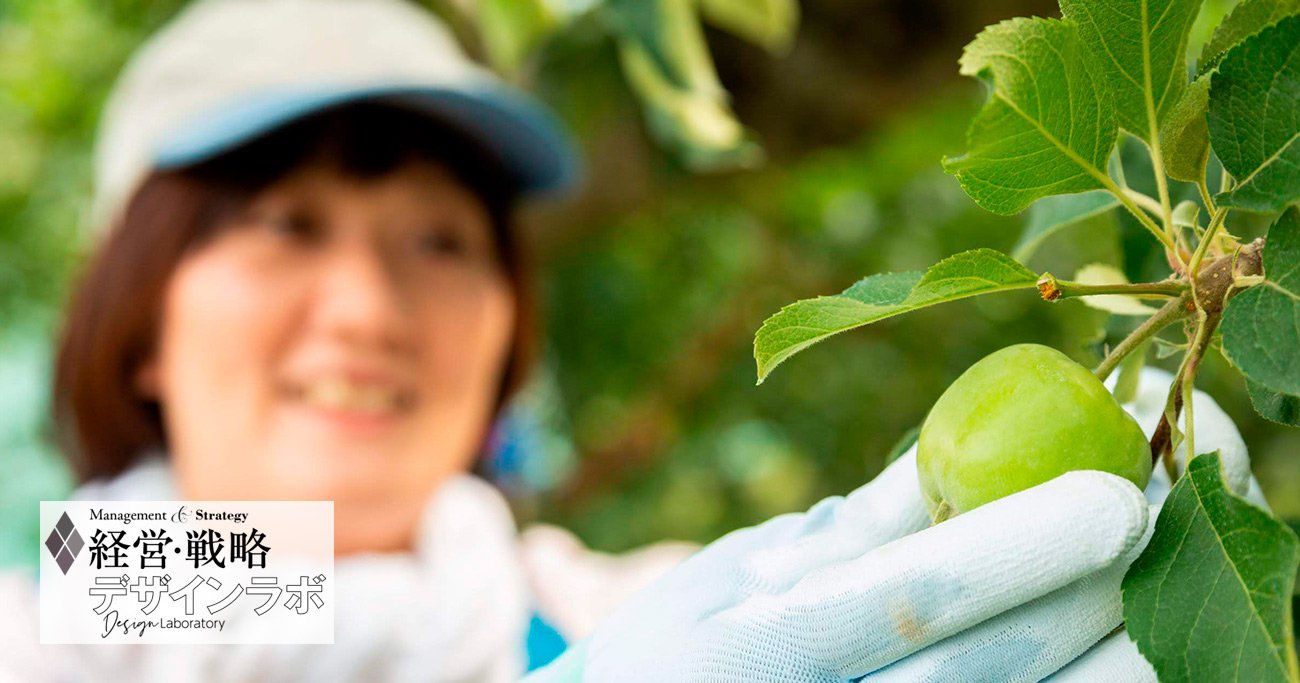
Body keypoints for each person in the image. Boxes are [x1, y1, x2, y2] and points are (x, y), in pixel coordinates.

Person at [0, 0, 1267, 681]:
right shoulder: (42, 630)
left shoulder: (649, 610)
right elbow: (128, 578)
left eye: (441, 241)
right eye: (285, 224)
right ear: (141, 317)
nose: (371, 308)